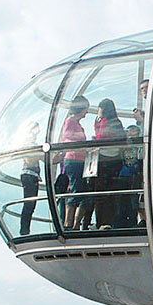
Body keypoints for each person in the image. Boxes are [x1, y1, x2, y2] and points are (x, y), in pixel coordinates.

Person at [93, 98, 126, 229]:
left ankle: (102, 221)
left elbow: (101, 138)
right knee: (110, 192)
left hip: (106, 159)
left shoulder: (106, 122)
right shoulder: (116, 122)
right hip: (114, 159)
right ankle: (108, 221)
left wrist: (96, 127)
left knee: (101, 192)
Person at [60, 96, 91, 230]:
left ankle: (75, 223)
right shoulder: (70, 121)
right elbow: (67, 138)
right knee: (76, 189)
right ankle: (69, 223)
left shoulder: (77, 124)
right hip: (73, 160)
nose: (87, 112)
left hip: (79, 160)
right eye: (86, 109)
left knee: (84, 192)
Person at [114, 125, 142, 228]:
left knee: (128, 200)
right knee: (127, 200)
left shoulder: (134, 145)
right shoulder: (130, 144)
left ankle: (126, 221)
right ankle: (127, 221)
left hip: (128, 175)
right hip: (126, 175)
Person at [19, 121, 42, 235]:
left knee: (30, 205)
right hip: (30, 175)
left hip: (30, 175)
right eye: (35, 130)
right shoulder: (29, 143)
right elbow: (33, 157)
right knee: (29, 204)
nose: (36, 133)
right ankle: (24, 231)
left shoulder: (30, 142)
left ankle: (25, 230)